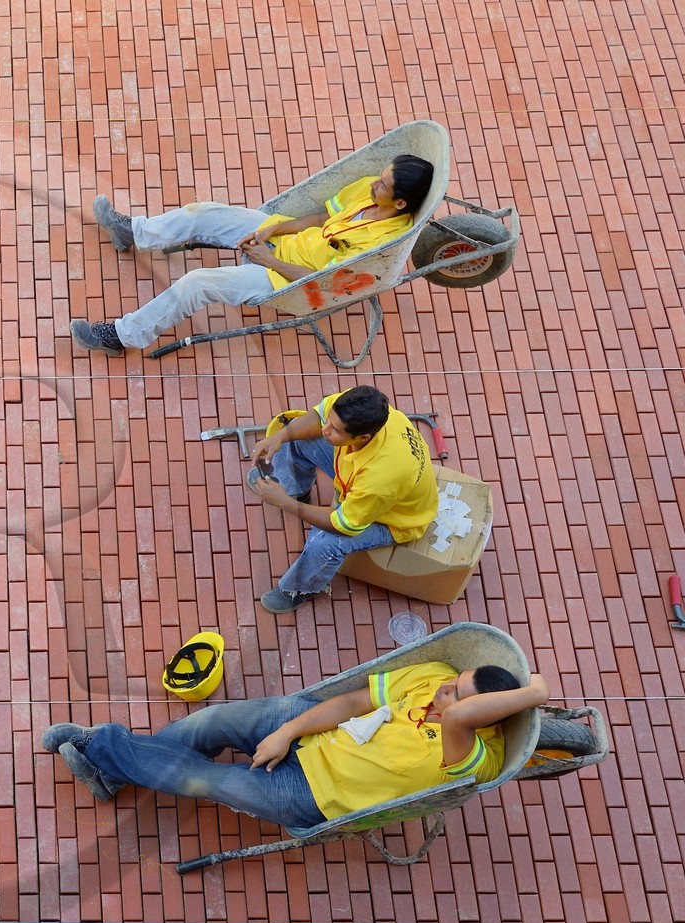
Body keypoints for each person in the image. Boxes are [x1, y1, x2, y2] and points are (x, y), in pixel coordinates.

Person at [42, 664, 549, 831]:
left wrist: (536, 693)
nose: (442, 691)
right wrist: (287, 732)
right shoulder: (433, 677)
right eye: (452, 683)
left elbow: (458, 717)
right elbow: (351, 701)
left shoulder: (478, 759)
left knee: (201, 779)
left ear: (486, 717)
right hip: (311, 730)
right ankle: (111, 769)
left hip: (310, 794)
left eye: (456, 694)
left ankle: (99, 745)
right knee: (214, 720)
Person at [70, 155, 435, 352]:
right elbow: (323, 217)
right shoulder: (367, 192)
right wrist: (271, 229)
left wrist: (268, 260)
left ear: (400, 203)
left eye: (383, 184)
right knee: (203, 212)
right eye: (380, 176)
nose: (374, 183)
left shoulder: (380, 245)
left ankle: (121, 336)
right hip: (283, 242)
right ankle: (134, 232)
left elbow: (324, 283)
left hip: (286, 278)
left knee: (196, 283)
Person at [246, 385, 437, 614]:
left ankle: (301, 588)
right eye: (330, 421)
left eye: (335, 429)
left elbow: (344, 525)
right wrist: (279, 437)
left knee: (324, 542)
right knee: (297, 434)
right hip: (362, 484)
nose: (325, 429)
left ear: (363, 437)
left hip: (394, 519)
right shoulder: (357, 410)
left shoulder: (381, 478)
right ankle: (294, 488)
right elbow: (319, 416)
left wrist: (285, 503)